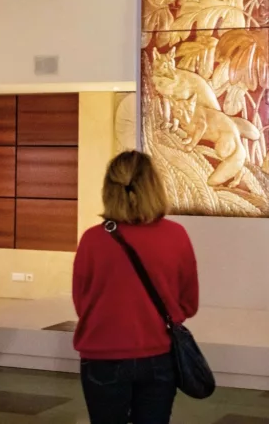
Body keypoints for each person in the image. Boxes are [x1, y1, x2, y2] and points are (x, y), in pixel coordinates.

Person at [73, 150, 199, 424]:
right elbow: (189, 303)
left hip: (102, 355)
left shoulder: (92, 240)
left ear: (109, 188)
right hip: (157, 353)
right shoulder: (176, 235)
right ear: (155, 186)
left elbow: (81, 303)